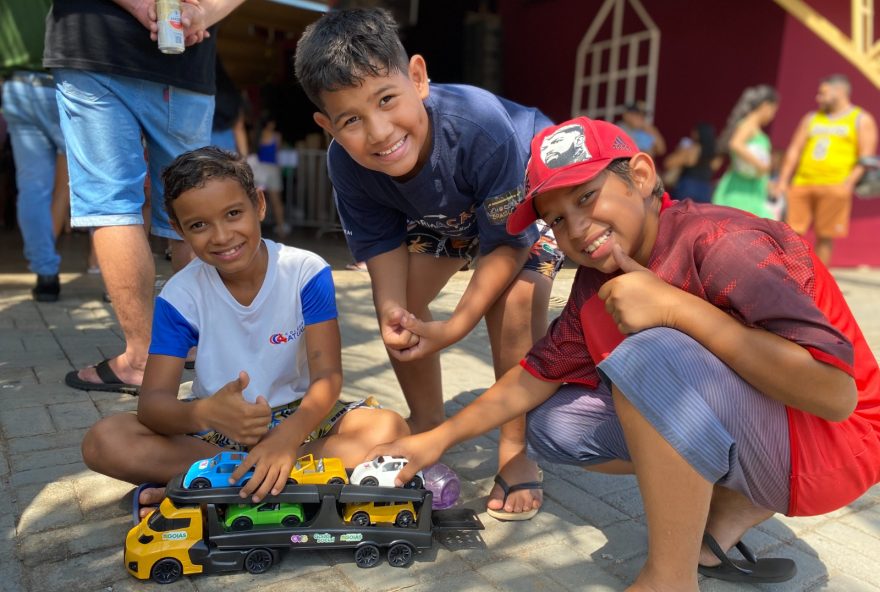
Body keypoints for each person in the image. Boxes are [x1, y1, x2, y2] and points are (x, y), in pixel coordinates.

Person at [369, 117, 880, 591]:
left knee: (647, 356)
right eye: (558, 221)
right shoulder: (600, 276)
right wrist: (435, 439)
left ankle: (669, 578)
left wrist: (675, 309)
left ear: (639, 175)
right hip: (774, 430)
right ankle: (724, 505)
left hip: (838, 444)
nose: (576, 229)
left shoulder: (726, 243)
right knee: (552, 423)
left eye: (587, 197)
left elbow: (836, 396)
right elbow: (535, 374)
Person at [295, 7, 565, 521]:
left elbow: (505, 246)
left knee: (515, 300)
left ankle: (515, 449)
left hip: (530, 188)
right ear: (326, 126)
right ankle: (427, 426)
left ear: (417, 78)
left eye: (386, 100)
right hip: (444, 214)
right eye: (350, 120)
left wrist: (454, 327)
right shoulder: (345, 165)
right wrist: (397, 315)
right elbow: (382, 252)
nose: (377, 132)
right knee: (400, 318)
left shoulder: (479, 123)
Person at [80, 147, 410, 513]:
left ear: (259, 205)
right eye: (199, 225)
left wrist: (286, 438)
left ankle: (211, 487)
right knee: (104, 440)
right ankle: (271, 479)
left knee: (389, 429)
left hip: (302, 423)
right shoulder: (180, 296)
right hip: (215, 435)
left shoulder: (305, 271)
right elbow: (153, 406)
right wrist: (204, 413)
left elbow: (328, 377)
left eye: (234, 214)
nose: (222, 236)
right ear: (178, 229)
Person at [47, 0, 246, 394]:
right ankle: (197, 343)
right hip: (184, 58)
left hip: (95, 45)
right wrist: (202, 13)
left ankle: (140, 359)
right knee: (193, 203)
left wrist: (140, 6)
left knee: (113, 205)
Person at [1, 0, 65, 301]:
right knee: (93, 179)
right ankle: (107, 271)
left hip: (15, 89)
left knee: (32, 189)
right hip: (60, 84)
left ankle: (46, 275)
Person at [777, 74, 878, 266]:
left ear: (839, 91)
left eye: (822, 93)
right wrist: (783, 180)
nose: (818, 97)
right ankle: (790, 273)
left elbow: (866, 158)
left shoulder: (860, 119)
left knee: (825, 235)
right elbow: (794, 149)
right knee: (791, 232)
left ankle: (819, 278)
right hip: (802, 183)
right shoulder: (811, 118)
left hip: (835, 185)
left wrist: (848, 184)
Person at [712, 85, 779, 218]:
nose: (773, 116)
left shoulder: (752, 127)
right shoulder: (748, 125)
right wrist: (761, 165)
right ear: (766, 106)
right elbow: (736, 144)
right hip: (741, 193)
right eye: (773, 111)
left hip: (752, 191)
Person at [252, 115, 289, 238]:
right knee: (276, 200)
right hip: (272, 169)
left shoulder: (256, 135)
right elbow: (276, 154)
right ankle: (281, 228)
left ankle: (255, 229)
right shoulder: (276, 136)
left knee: (257, 199)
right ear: (270, 124)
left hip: (259, 170)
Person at [664, 122, 718, 204]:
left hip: (688, 187)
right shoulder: (715, 153)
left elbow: (668, 163)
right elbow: (714, 168)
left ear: (698, 133)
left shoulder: (693, 148)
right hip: (706, 189)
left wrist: (680, 150)